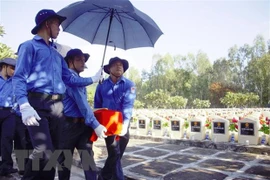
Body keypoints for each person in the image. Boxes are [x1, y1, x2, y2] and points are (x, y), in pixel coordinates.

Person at [12, 9, 103, 180]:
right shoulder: (29, 46)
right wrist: (24, 104)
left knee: (52, 153)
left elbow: (70, 78)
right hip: (37, 103)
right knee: (43, 150)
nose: (59, 28)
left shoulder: (56, 53)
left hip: (57, 108)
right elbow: (19, 78)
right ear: (47, 23)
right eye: (57, 24)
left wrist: (93, 78)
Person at [58, 49, 107, 180]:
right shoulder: (71, 79)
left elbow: (84, 105)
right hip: (68, 125)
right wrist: (95, 124)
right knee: (64, 161)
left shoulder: (78, 80)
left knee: (88, 159)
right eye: (79, 59)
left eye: (84, 60)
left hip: (82, 125)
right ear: (70, 61)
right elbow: (82, 104)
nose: (82, 62)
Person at [94, 57, 136, 180]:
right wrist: (97, 124)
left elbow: (128, 106)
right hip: (108, 124)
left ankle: (103, 176)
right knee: (114, 152)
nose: (119, 67)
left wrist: (125, 124)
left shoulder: (129, 85)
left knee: (116, 156)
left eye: (121, 65)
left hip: (123, 123)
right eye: (116, 64)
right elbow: (97, 105)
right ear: (109, 68)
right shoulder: (102, 85)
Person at [0, 58, 18, 176]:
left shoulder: (15, 81)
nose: (14, 71)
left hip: (10, 113)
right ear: (4, 67)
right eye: (12, 68)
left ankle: (6, 167)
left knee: (7, 138)